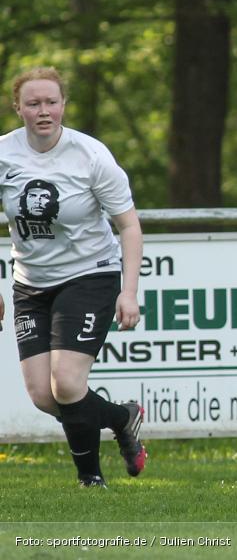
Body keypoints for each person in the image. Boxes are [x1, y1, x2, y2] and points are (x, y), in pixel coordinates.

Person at [0, 67, 147, 488]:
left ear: (63, 105)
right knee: (44, 396)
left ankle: (90, 481)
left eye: (51, 102)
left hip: (89, 275)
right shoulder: (4, 154)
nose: (43, 111)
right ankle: (123, 418)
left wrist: (129, 292)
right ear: (18, 108)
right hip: (30, 282)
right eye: (33, 103)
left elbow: (130, 226)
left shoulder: (92, 156)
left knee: (66, 384)